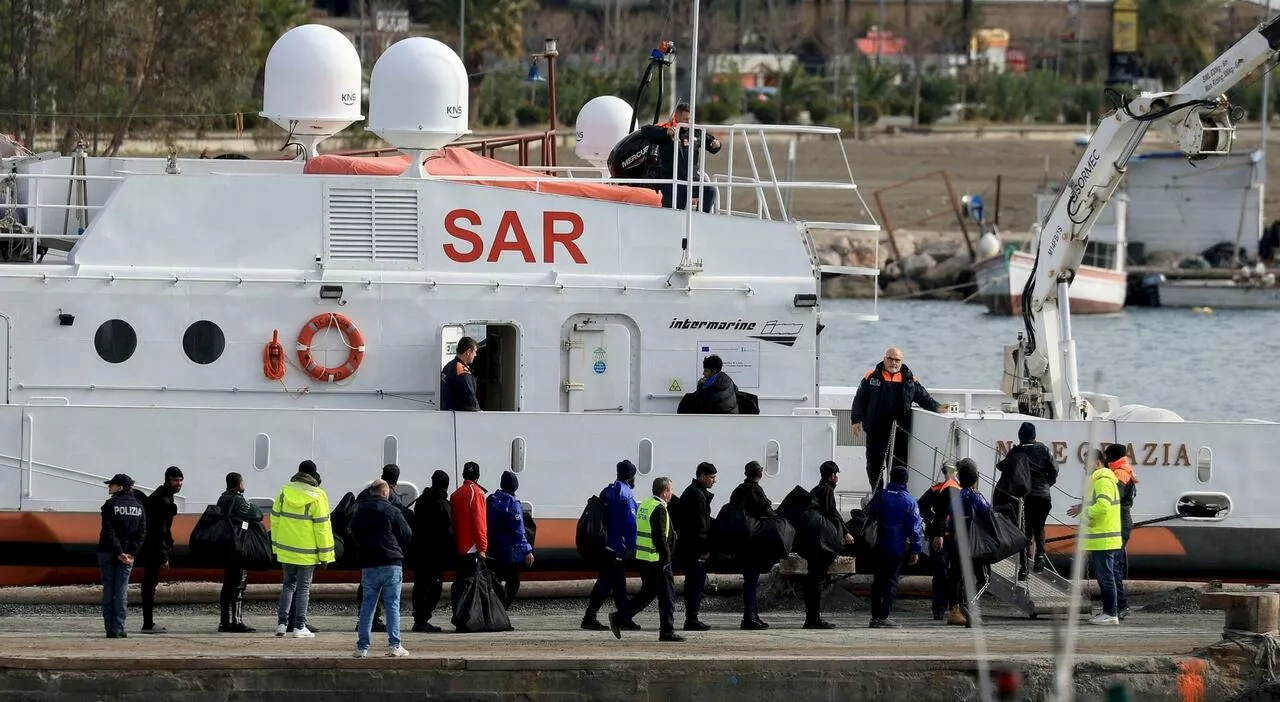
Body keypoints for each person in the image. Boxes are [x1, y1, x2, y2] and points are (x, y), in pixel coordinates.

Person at [849, 347, 947, 491]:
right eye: (890, 359)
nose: (893, 363)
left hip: (899, 433)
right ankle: (877, 495)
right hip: (876, 432)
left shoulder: (909, 380)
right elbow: (859, 400)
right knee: (874, 466)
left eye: (897, 360)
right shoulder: (871, 377)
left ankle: (895, 495)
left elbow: (924, 399)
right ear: (884, 359)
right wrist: (855, 420)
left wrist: (939, 408)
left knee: (898, 467)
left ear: (901, 362)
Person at [609, 477, 683, 642]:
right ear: (665, 492)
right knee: (668, 596)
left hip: (643, 558)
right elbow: (660, 538)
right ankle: (667, 631)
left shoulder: (645, 505)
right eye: (671, 490)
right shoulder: (660, 509)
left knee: (648, 593)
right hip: (657, 560)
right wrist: (667, 560)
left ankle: (620, 617)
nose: (672, 493)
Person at [271, 459, 336, 638]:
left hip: (286, 550)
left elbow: (275, 521)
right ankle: (299, 626)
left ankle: (282, 624)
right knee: (303, 588)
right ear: (313, 475)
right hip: (307, 553)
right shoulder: (318, 495)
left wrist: (276, 546)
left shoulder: (284, 492)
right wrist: (325, 555)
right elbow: (322, 528)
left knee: (288, 585)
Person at [351, 479, 413, 658]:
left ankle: (362, 647)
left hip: (369, 564)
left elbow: (352, 530)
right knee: (392, 605)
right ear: (385, 492)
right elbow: (407, 533)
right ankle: (394, 646)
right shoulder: (391, 510)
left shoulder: (359, 511)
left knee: (367, 605)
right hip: (391, 562)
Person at [581, 460, 641, 632]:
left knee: (618, 583)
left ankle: (624, 616)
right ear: (631, 476)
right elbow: (630, 524)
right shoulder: (626, 494)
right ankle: (590, 617)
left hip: (605, 544)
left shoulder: (607, 490)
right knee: (607, 582)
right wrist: (633, 546)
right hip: (617, 547)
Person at [997, 422, 1058, 580]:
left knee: (1024, 532)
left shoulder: (1016, 452)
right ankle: (1040, 557)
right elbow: (1054, 470)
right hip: (1043, 495)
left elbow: (1003, 467)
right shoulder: (1044, 449)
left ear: (1020, 436)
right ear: (1034, 435)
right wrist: (1047, 483)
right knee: (1040, 527)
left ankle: (1024, 569)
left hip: (1024, 497)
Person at [865, 466, 924, 628]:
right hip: (896, 547)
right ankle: (883, 617)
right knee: (891, 582)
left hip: (878, 545)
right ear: (906, 481)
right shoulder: (909, 501)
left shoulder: (881, 495)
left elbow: (869, 512)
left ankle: (875, 616)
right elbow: (915, 528)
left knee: (878, 581)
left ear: (891, 477)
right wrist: (916, 549)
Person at [1072, 447, 1124, 626]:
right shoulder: (1103, 479)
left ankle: (1111, 613)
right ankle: (1108, 611)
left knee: (1106, 578)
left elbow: (1103, 505)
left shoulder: (1102, 480)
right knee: (1105, 577)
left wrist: (1084, 513)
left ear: (1097, 462)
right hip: (1102, 538)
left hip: (1103, 539)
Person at [355, 464, 407, 633]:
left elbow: (353, 526)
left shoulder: (364, 495)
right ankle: (394, 642)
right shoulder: (392, 499)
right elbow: (405, 530)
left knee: (367, 597)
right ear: (395, 482)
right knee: (392, 602)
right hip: (388, 555)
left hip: (366, 555)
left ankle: (363, 642)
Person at [804, 461, 853, 629]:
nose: (837, 478)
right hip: (820, 544)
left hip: (812, 541)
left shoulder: (816, 490)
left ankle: (811, 618)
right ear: (832, 475)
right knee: (817, 579)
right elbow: (832, 513)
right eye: (837, 475)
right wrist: (846, 532)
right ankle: (813, 619)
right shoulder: (827, 490)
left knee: (813, 578)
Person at [98, 474, 145, 639]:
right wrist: (130, 553)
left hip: (108, 552)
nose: (109, 487)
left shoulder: (110, 505)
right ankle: (119, 628)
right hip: (128, 556)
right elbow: (141, 533)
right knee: (122, 591)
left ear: (119, 487)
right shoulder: (139, 506)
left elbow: (108, 531)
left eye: (111, 485)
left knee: (109, 590)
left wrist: (119, 552)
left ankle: (110, 629)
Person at [730, 460, 776, 630]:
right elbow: (765, 509)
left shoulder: (739, 490)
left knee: (750, 580)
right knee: (751, 581)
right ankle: (750, 617)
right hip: (752, 542)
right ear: (759, 473)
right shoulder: (754, 489)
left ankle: (752, 615)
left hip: (740, 542)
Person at [139, 465, 183, 634]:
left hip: (151, 546)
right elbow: (159, 529)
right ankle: (148, 624)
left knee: (150, 583)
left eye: (180, 480)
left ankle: (148, 622)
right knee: (150, 584)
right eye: (175, 480)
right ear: (168, 480)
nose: (178, 483)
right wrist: (163, 554)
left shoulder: (163, 496)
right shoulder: (163, 500)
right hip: (153, 548)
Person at [217, 472, 263, 633]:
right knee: (239, 584)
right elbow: (257, 514)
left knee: (227, 583)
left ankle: (224, 622)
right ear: (238, 484)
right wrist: (249, 504)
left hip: (226, 546)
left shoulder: (222, 498)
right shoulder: (238, 500)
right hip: (239, 546)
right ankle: (237, 620)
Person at [948, 458, 991, 627]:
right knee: (985, 578)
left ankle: (959, 608)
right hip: (975, 544)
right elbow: (988, 514)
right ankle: (970, 603)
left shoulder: (956, 497)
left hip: (958, 541)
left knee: (958, 576)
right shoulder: (976, 497)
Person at [658, 101, 722, 213]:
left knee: (710, 190)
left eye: (689, 119)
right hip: (673, 181)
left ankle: (701, 217)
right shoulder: (666, 129)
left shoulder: (695, 132)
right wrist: (666, 133)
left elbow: (712, 145)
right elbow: (646, 131)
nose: (688, 122)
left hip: (692, 179)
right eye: (685, 119)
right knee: (672, 214)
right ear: (676, 116)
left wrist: (716, 143)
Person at [675, 462, 717, 630]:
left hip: (690, 547)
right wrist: (705, 549)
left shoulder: (694, 493)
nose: (714, 481)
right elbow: (699, 527)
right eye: (712, 477)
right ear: (702, 476)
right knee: (695, 584)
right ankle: (691, 619)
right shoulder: (697, 495)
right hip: (694, 550)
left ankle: (691, 618)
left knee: (693, 583)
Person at [917, 461, 961, 620]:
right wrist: (930, 518)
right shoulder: (938, 489)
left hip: (951, 536)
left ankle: (951, 607)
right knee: (942, 573)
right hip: (942, 537)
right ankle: (941, 609)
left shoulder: (957, 489)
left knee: (949, 574)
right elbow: (921, 505)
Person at [411, 470, 453, 632]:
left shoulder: (421, 501)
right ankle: (423, 618)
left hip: (419, 551)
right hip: (436, 554)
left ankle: (418, 618)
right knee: (434, 586)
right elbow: (449, 531)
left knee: (420, 584)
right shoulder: (443, 505)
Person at [487, 470, 534, 609]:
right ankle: (502, 608)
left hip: (493, 549)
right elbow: (518, 530)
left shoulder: (491, 500)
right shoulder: (513, 503)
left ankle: (493, 608)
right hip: (511, 551)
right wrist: (527, 550)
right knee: (513, 582)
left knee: (495, 580)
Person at [450, 461, 488, 578]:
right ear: (478, 476)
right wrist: (482, 548)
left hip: (458, 545)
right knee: (471, 582)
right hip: (472, 547)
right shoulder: (477, 492)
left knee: (462, 580)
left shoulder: (455, 494)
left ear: (463, 475)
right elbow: (479, 522)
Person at [440, 336, 480, 412]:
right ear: (468, 352)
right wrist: (478, 412)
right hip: (459, 416)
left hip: (447, 412)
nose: (475, 355)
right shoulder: (461, 370)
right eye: (475, 351)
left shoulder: (448, 366)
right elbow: (469, 398)